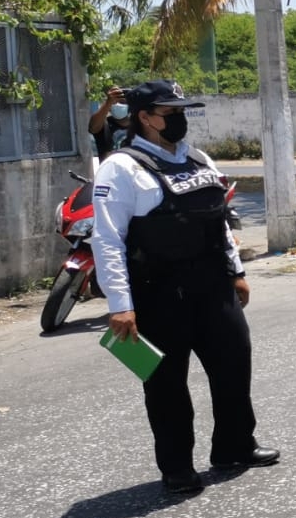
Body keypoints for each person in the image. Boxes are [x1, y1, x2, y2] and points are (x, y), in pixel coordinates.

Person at [91, 80, 277, 494]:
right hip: (156, 293)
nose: (179, 119)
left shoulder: (197, 158)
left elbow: (220, 219)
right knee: (165, 384)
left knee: (233, 365)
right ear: (145, 117)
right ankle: (176, 466)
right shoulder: (121, 168)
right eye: (171, 112)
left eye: (181, 111)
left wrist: (236, 273)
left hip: (213, 286)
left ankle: (234, 446)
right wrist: (120, 305)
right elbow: (107, 240)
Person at [87, 85, 132, 159]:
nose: (118, 105)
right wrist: (108, 102)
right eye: (115, 102)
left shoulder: (139, 125)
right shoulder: (104, 124)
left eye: (122, 102)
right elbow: (92, 127)